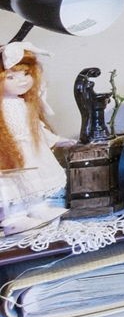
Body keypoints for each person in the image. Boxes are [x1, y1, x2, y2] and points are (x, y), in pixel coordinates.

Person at [0, 44, 69, 234]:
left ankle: (37, 209)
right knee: (12, 186)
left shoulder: (25, 104)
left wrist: (56, 140)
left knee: (34, 180)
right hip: (8, 156)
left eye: (26, 74)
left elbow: (37, 129)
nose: (21, 81)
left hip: (30, 151)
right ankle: (13, 218)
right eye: (11, 77)